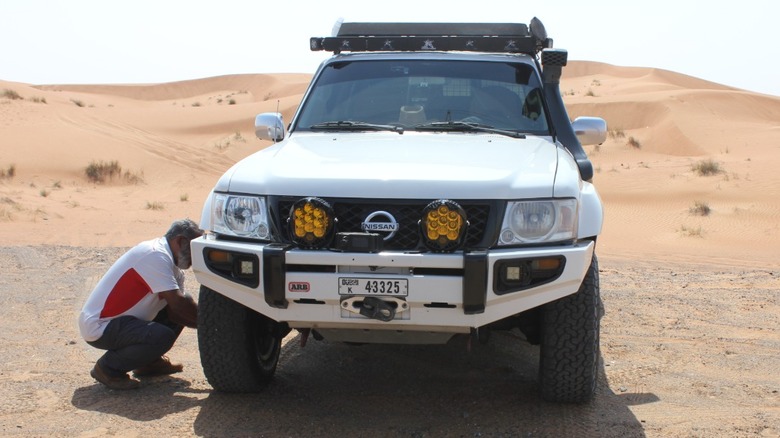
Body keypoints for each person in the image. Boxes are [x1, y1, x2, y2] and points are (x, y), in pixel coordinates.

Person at [78, 219, 203, 390]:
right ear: (180, 241)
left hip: (123, 322)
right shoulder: (155, 255)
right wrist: (213, 327)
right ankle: (108, 368)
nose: (196, 257)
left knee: (182, 305)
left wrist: (206, 325)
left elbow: (176, 313)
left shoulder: (173, 268)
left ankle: (148, 363)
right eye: (194, 249)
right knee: (162, 335)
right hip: (101, 326)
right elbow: (179, 305)